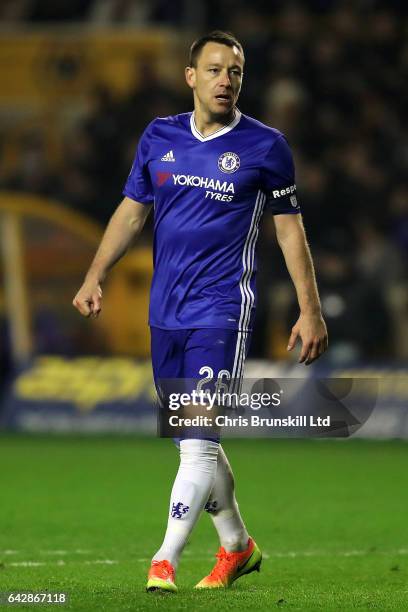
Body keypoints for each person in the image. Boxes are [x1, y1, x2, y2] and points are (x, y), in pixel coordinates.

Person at [73, 30, 328, 593]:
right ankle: (238, 546)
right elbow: (132, 213)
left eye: (235, 72)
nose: (225, 81)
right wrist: (96, 274)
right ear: (191, 76)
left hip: (222, 311)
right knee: (197, 443)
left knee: (197, 439)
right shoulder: (159, 136)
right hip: (165, 313)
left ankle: (164, 559)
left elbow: (290, 234)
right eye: (214, 70)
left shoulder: (266, 147)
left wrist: (310, 311)